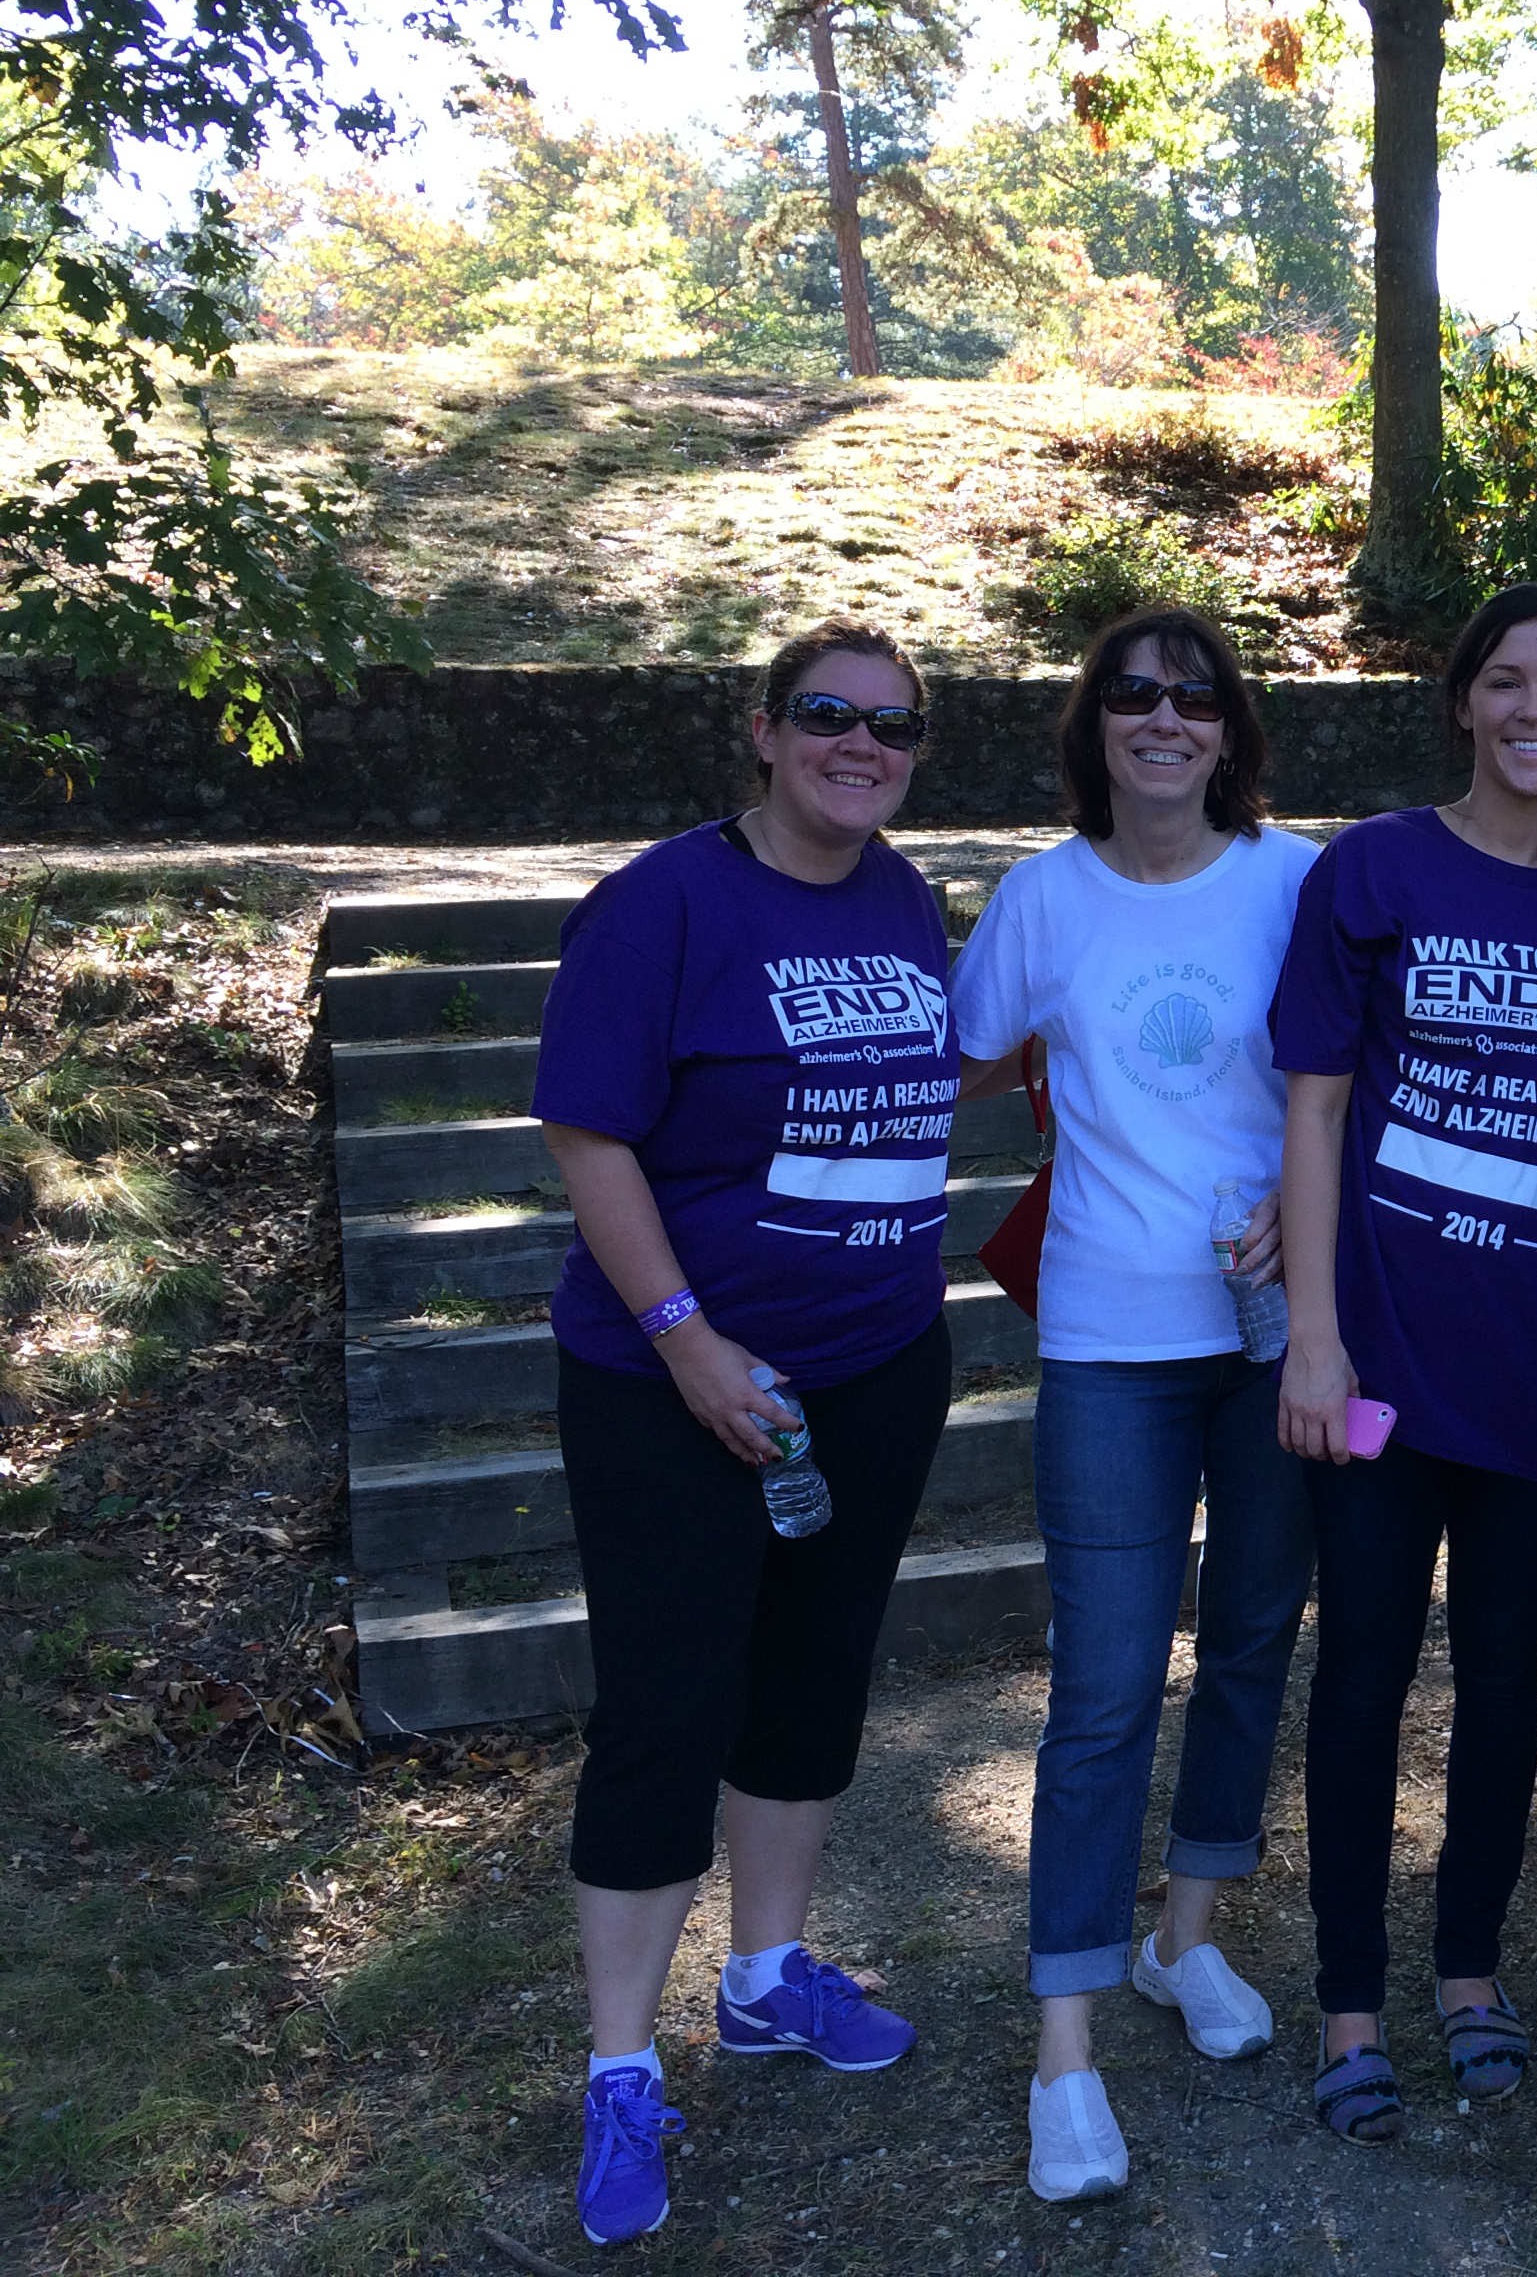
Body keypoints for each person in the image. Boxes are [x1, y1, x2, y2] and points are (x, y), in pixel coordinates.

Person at [535, 617, 955, 2251]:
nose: (865, 747)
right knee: (666, 1711)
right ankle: (622, 2067)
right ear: (766, 732)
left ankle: (770, 1978)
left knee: (812, 1676)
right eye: (831, 717)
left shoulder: (908, 899)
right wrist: (688, 1341)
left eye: (897, 728)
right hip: (673, 1387)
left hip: (872, 1369)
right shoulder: (664, 905)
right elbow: (589, 1130)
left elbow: (902, 1088)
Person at [947, 606, 1320, 2204]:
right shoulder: (1041, 899)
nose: (1161, 721)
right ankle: (1066, 2055)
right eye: (1130, 698)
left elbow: (1355, 1077)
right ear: (1092, 729)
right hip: (1107, 1335)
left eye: (1192, 698)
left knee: (1248, 1645)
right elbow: (962, 1055)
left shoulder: (1295, 883)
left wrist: (1312, 1220)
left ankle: (1185, 1937)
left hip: (1273, 1338)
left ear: (1231, 729)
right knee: (1103, 1690)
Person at [1269, 584, 1537, 2140]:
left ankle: (1469, 1969)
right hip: (1382, 1354)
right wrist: (1316, 1334)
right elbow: (1317, 1109)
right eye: (1506, 681)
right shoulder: (1376, 869)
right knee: (1359, 1674)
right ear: (1465, 704)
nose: (1535, 708)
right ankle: (1352, 2002)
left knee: (1501, 1680)